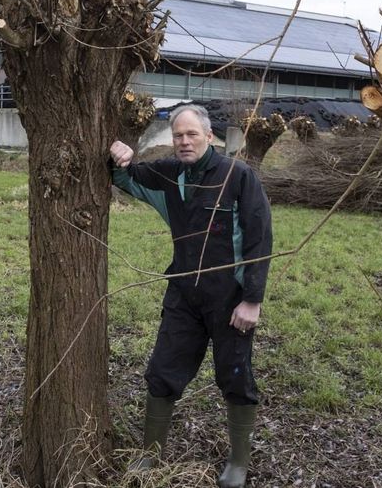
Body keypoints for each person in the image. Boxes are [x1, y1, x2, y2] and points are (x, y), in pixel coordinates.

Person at [109, 104, 273, 488]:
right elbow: (126, 177)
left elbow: (260, 239)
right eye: (178, 136)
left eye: (191, 134)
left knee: (234, 375)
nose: (184, 141)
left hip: (230, 298)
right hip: (183, 294)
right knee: (163, 371)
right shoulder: (169, 175)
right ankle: (151, 456)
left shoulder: (238, 176)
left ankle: (238, 462)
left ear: (209, 136)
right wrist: (121, 154)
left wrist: (252, 299)